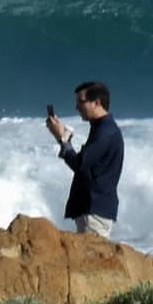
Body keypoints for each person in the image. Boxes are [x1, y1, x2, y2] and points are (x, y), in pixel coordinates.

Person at [45, 80, 124, 238]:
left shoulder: (105, 132)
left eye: (81, 102)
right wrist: (64, 141)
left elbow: (80, 164)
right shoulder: (102, 129)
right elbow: (85, 164)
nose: (77, 107)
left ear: (96, 103)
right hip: (94, 208)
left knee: (93, 261)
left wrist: (62, 139)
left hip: (95, 209)